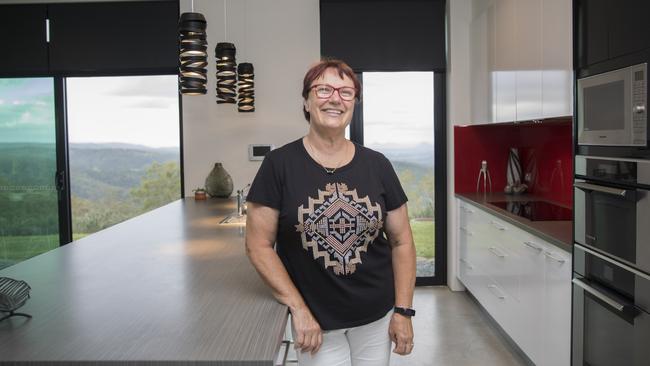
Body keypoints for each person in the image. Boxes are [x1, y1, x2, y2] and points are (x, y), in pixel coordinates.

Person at [245, 59, 416, 366]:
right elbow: (258, 245)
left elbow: (402, 241)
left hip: (377, 315)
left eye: (346, 92)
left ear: (354, 103)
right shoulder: (278, 165)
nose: (335, 99)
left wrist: (403, 311)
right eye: (323, 89)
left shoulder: (377, 165)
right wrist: (298, 309)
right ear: (306, 101)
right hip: (316, 321)